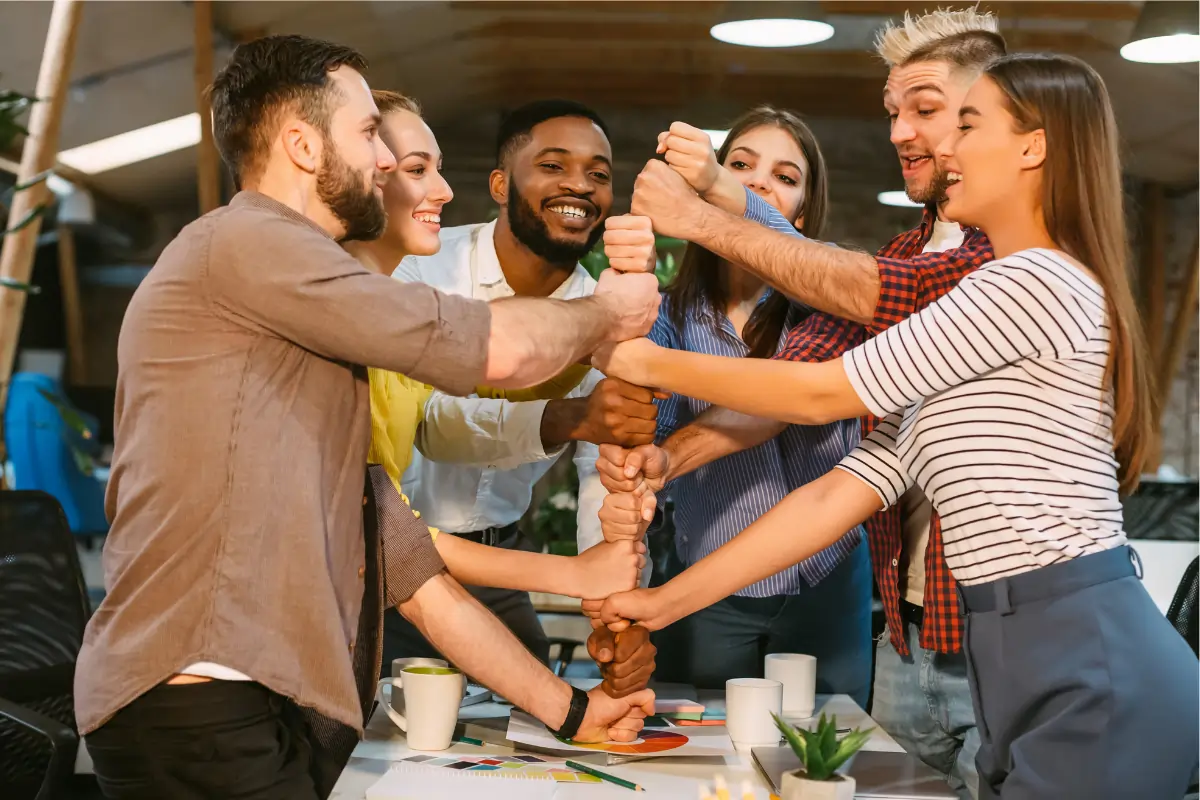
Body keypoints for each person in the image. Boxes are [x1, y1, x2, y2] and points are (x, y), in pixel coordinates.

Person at [593, 52, 1200, 798]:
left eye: (968, 124)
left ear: (1032, 147)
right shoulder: (974, 318)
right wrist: (662, 603)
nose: (944, 147)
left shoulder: (1037, 279)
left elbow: (821, 394)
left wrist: (644, 358)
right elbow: (830, 499)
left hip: (1084, 653)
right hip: (1014, 651)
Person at [78, 36, 656, 800]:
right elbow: (493, 349)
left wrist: (574, 709)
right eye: (366, 135)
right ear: (301, 144)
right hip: (197, 701)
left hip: (247, 704)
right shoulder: (249, 243)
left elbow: (410, 567)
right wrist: (608, 310)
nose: (383, 161)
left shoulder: (305, 318)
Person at [595, 10, 1007, 795]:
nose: (899, 133)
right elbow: (799, 420)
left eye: (923, 109)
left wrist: (705, 206)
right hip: (902, 634)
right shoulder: (910, 251)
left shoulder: (985, 263)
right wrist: (660, 468)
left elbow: (818, 391)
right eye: (894, 112)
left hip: (980, 625)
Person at [383, 99, 660, 672]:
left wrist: (614, 610)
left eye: (600, 174)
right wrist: (569, 416)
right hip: (392, 554)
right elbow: (434, 423)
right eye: (554, 166)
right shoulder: (420, 266)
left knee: (532, 715)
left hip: (501, 559)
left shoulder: (610, 308)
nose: (580, 185)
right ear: (501, 184)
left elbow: (602, 474)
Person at [622, 105, 871, 701]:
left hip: (826, 577)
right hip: (710, 581)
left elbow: (785, 397)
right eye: (740, 165)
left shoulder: (832, 298)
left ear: (802, 214)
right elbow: (645, 427)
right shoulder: (671, 311)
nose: (757, 183)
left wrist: (719, 186)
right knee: (707, 751)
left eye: (784, 178)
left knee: (828, 748)